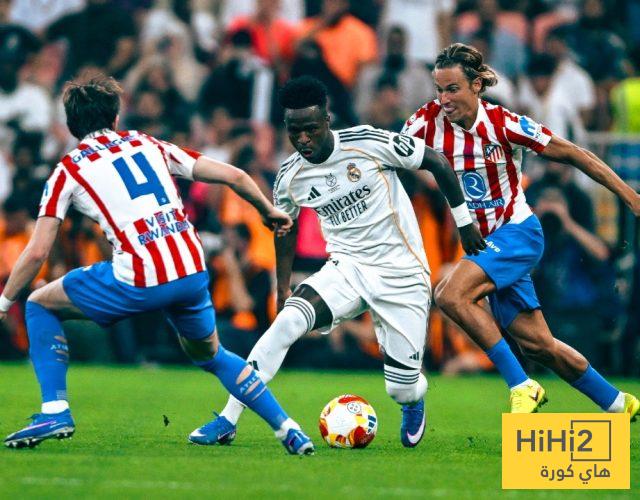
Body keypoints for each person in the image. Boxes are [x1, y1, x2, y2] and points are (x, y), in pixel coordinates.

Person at [0, 73, 314, 455]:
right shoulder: (147, 143)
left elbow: (37, 251)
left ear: (71, 125)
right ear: (115, 117)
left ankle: (55, 411)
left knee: (39, 304)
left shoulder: (68, 169)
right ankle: (289, 429)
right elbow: (233, 174)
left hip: (139, 276)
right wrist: (267, 210)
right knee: (212, 355)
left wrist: (4, 302)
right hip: (191, 269)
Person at [189, 75, 484, 448]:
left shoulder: (369, 143)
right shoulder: (290, 175)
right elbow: (285, 228)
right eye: (294, 131)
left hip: (402, 274)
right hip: (347, 268)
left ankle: (413, 398)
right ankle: (228, 419)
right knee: (287, 323)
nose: (303, 139)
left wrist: (464, 224)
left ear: (327, 120)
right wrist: (283, 288)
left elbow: (437, 162)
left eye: (310, 129)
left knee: (401, 388)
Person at [402, 43, 640, 418]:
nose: (444, 99)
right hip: (484, 245)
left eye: (453, 89)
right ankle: (617, 402)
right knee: (538, 345)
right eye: (439, 89)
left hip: (518, 233)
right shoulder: (424, 123)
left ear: (476, 85)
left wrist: (630, 196)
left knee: (449, 294)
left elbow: (575, 153)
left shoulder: (504, 123)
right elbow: (387, 156)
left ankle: (521, 384)